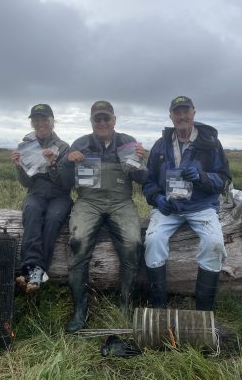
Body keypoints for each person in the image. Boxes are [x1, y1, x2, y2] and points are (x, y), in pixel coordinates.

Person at [60, 100, 147, 333]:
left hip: (121, 202)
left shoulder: (128, 142)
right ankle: (81, 309)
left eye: (106, 118)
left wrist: (140, 161)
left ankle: (125, 302)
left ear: (114, 120)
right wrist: (68, 163)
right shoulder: (80, 143)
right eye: (97, 119)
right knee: (77, 242)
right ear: (91, 121)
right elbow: (65, 182)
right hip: (88, 201)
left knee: (134, 242)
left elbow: (142, 179)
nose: (102, 122)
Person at [143, 96, 231, 311]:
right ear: (170, 116)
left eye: (186, 111)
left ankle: (203, 312)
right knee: (153, 241)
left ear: (194, 113)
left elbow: (224, 179)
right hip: (169, 208)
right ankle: (159, 309)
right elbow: (148, 180)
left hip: (201, 207)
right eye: (177, 112)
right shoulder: (161, 145)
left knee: (214, 244)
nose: (181, 116)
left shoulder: (210, 144)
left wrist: (202, 176)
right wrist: (157, 198)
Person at [11, 103, 72, 293]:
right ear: (32, 123)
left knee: (53, 219)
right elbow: (26, 183)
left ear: (52, 122)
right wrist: (19, 167)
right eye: (36, 119)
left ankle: (35, 271)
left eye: (44, 119)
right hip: (35, 193)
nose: (40, 123)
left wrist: (53, 165)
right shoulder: (25, 146)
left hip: (60, 196)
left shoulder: (63, 147)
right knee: (31, 211)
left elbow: (66, 183)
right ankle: (31, 268)